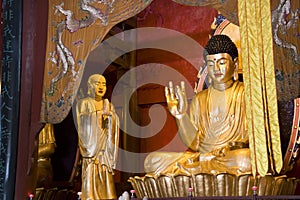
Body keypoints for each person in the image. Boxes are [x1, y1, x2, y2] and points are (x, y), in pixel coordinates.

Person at [144, 35, 251, 176]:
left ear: (235, 65)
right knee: (151, 161)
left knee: (246, 160)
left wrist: (236, 145)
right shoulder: (200, 98)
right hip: (201, 158)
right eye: (211, 64)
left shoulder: (246, 94)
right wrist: (180, 115)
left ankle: (194, 171)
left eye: (222, 62)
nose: (216, 68)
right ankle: (202, 170)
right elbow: (194, 144)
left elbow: (256, 135)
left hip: (229, 157)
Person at [76, 74, 120, 200]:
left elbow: (114, 123)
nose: (101, 87)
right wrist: (100, 115)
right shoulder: (84, 103)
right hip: (92, 147)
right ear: (90, 86)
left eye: (104, 84)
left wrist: (111, 117)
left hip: (105, 149)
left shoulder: (108, 104)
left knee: (105, 174)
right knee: (91, 172)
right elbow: (83, 122)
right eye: (97, 83)